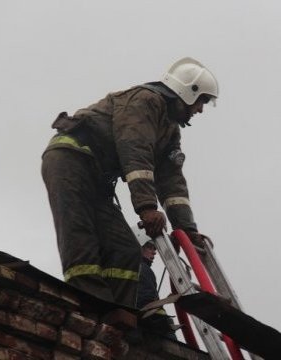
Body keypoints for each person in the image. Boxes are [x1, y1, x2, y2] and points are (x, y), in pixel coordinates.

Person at [41, 57, 219, 307]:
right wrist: (147, 207)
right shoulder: (145, 101)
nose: (200, 110)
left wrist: (187, 230)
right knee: (80, 239)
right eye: (201, 101)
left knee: (125, 249)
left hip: (98, 176)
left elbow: (172, 180)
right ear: (188, 92)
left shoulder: (169, 129)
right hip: (70, 159)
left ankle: (120, 315)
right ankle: (90, 308)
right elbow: (134, 151)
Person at [134, 226, 177, 340]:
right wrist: (163, 325)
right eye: (150, 247)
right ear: (139, 246)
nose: (154, 252)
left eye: (155, 248)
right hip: (156, 330)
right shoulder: (143, 269)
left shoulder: (134, 267)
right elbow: (145, 303)